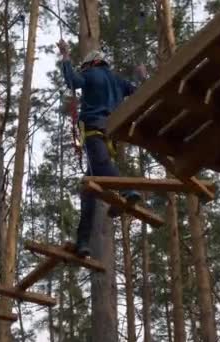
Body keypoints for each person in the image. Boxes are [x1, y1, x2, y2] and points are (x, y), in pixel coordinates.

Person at [57, 39, 146, 257]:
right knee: (88, 189)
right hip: (111, 132)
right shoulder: (117, 80)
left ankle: (127, 190)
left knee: (102, 165)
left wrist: (66, 56)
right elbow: (138, 91)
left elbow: (71, 80)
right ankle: (83, 242)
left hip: (95, 129)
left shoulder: (90, 74)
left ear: (91, 64)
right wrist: (142, 75)